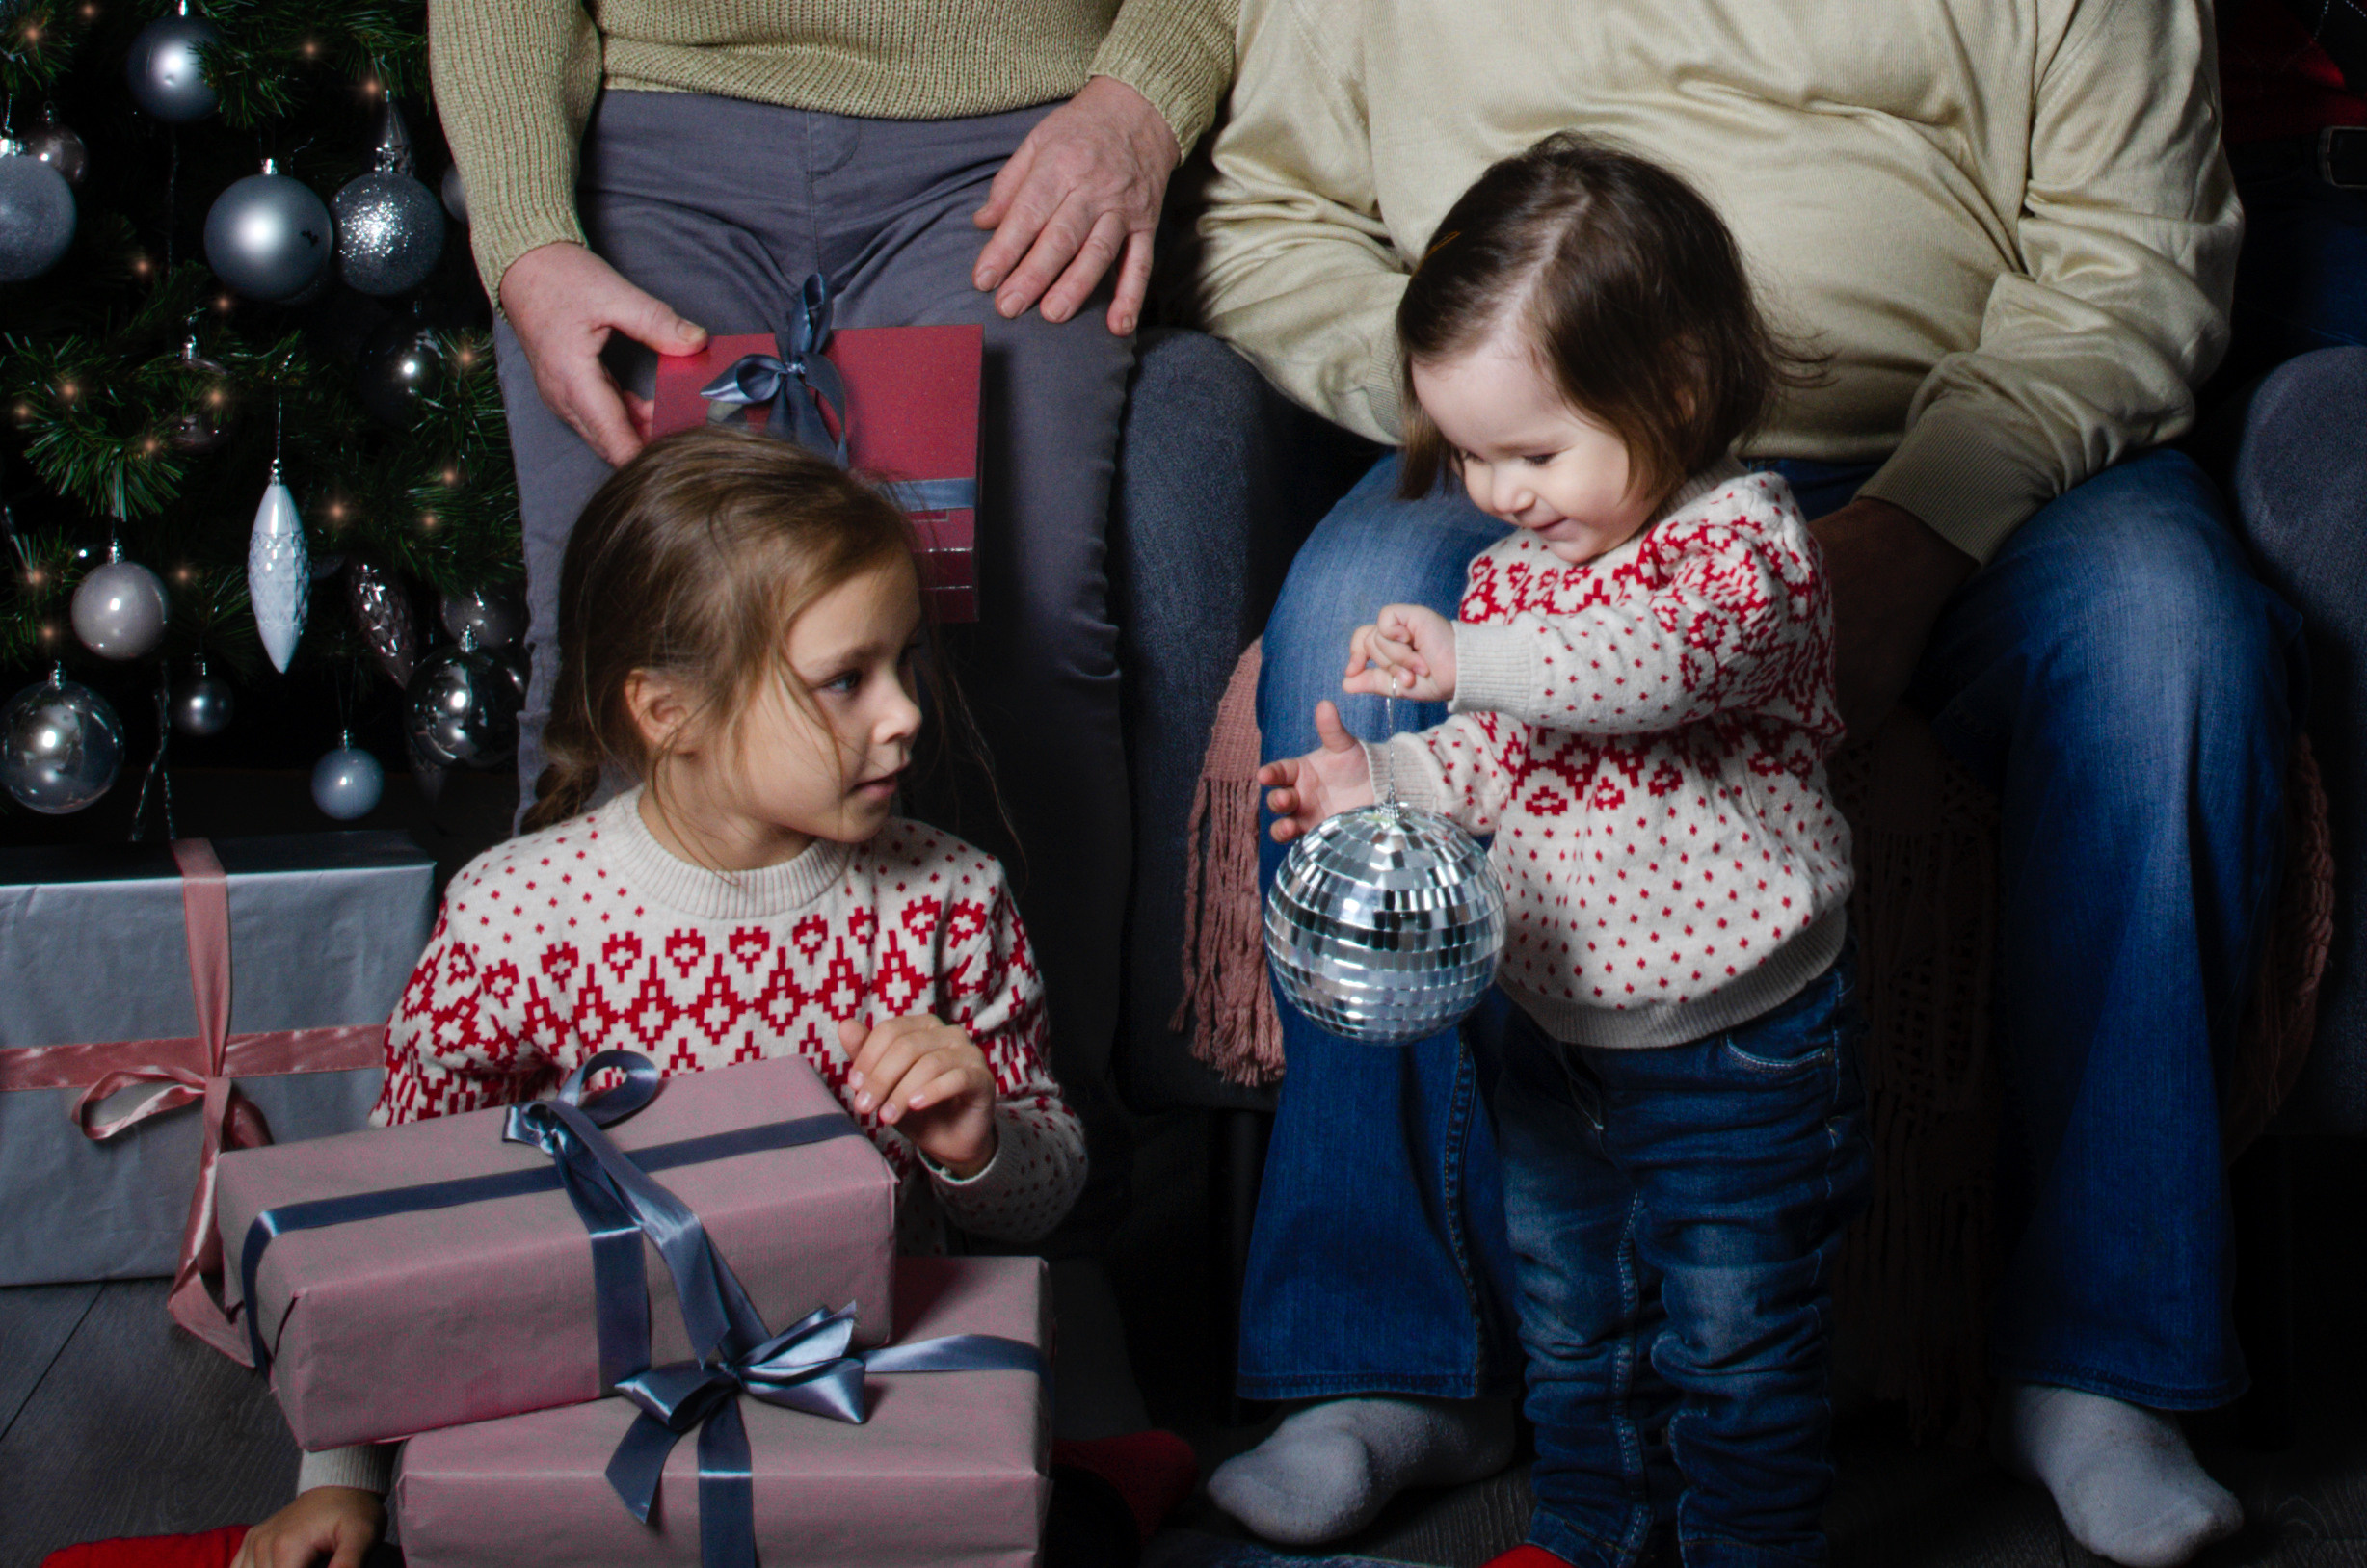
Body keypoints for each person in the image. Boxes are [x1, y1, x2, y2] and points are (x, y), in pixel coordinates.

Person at [1191, 2, 2297, 1565]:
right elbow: (1275, 212)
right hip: (1540, 463)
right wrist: (1509, 434)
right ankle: (1392, 1357)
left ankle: (2101, 1364)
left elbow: (2137, 252)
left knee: (2170, 639)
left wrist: (1916, 536)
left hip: (1968, 453)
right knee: (1353, 610)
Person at [230, 429, 1093, 1568]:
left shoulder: (945, 898)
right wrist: (341, 1478)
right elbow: (409, 1239)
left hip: (864, 1413)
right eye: (845, 680)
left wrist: (977, 1142)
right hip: (579, 1407)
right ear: (664, 709)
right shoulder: (517, 918)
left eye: (904, 664)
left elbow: (1044, 1197)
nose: (904, 714)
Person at [429, 0, 1238, 1171]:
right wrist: (523, 234)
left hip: (1011, 149)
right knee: (626, 646)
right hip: (652, 142)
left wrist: (1139, 104)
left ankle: (1045, 1187)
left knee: (1011, 639)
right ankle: (570, 1178)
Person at [1255, 137, 1872, 1566]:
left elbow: (1645, 671)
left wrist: (1472, 657)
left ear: (1677, 391)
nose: (1500, 490)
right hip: (1555, 1033)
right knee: (1576, 1325)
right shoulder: (1514, 579)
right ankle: (1594, 1533)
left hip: (1737, 1039)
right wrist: (1380, 777)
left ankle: (1746, 1546)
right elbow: (1504, 764)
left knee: (1736, 1342)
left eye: (1532, 451)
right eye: (1469, 453)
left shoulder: (1746, 548)